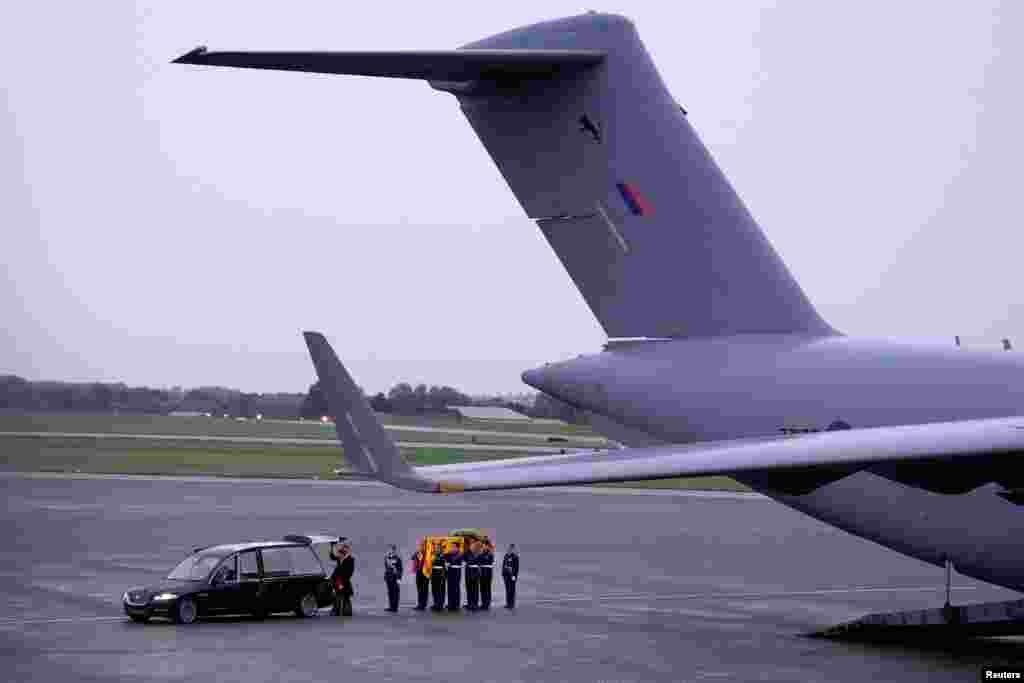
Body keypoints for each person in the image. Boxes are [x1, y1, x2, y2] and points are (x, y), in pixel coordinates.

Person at [330, 539, 355, 616]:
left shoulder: (350, 560)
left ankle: (346, 612)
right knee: (337, 596)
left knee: (345, 597)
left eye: (344, 549)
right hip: (338, 581)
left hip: (343, 582)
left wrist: (341, 582)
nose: (339, 554)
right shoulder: (341, 558)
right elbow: (332, 556)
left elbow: (349, 573)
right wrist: (332, 546)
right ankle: (337, 611)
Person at [443, 542, 463, 611]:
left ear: (458, 548)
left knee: (456, 588)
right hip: (450, 572)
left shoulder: (460, 554)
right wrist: (446, 550)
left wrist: (449, 562)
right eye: (451, 547)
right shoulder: (449, 554)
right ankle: (450, 604)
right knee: (450, 588)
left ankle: (456, 604)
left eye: (454, 547)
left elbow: (454, 560)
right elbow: (443, 556)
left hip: (456, 572)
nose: (452, 548)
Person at [384, 545, 402, 612]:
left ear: (394, 550)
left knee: (395, 593)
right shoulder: (386, 558)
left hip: (395, 577)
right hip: (389, 577)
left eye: (392, 550)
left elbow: (400, 569)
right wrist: (386, 576)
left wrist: (399, 579)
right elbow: (386, 568)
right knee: (390, 592)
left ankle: (395, 607)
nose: (391, 551)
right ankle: (391, 606)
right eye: (390, 550)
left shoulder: (397, 558)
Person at [464, 540, 480, 611]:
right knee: (469, 588)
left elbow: (475, 561)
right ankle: (469, 603)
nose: (472, 546)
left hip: (475, 572)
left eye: (473, 545)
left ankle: (475, 604)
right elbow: (463, 558)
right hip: (468, 572)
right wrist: (467, 550)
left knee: (475, 589)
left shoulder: (478, 553)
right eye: (470, 545)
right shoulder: (467, 552)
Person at [429, 544, 446, 612]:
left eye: (438, 548)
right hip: (434, 574)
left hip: (440, 574)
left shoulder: (443, 555)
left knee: (440, 590)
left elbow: (444, 565)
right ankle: (435, 603)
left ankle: (440, 604)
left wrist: (444, 575)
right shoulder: (433, 555)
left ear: (441, 549)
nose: (437, 549)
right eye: (436, 548)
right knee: (434, 589)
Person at [502, 543, 519, 609]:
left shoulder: (515, 557)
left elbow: (516, 567)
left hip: (512, 575)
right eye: (509, 548)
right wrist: (503, 574)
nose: (510, 550)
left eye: (511, 549)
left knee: (512, 590)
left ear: (513, 549)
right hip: (506, 575)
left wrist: (514, 576)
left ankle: (512, 604)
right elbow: (504, 565)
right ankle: (508, 603)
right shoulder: (506, 556)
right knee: (507, 589)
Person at [478, 543, 495, 610]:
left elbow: (489, 561)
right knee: (482, 589)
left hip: (488, 573)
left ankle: (487, 604)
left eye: (485, 546)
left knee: (487, 589)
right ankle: (483, 603)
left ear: (488, 547)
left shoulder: (490, 554)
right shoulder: (481, 554)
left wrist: (491, 550)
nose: (484, 547)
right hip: (482, 573)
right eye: (483, 546)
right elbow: (479, 561)